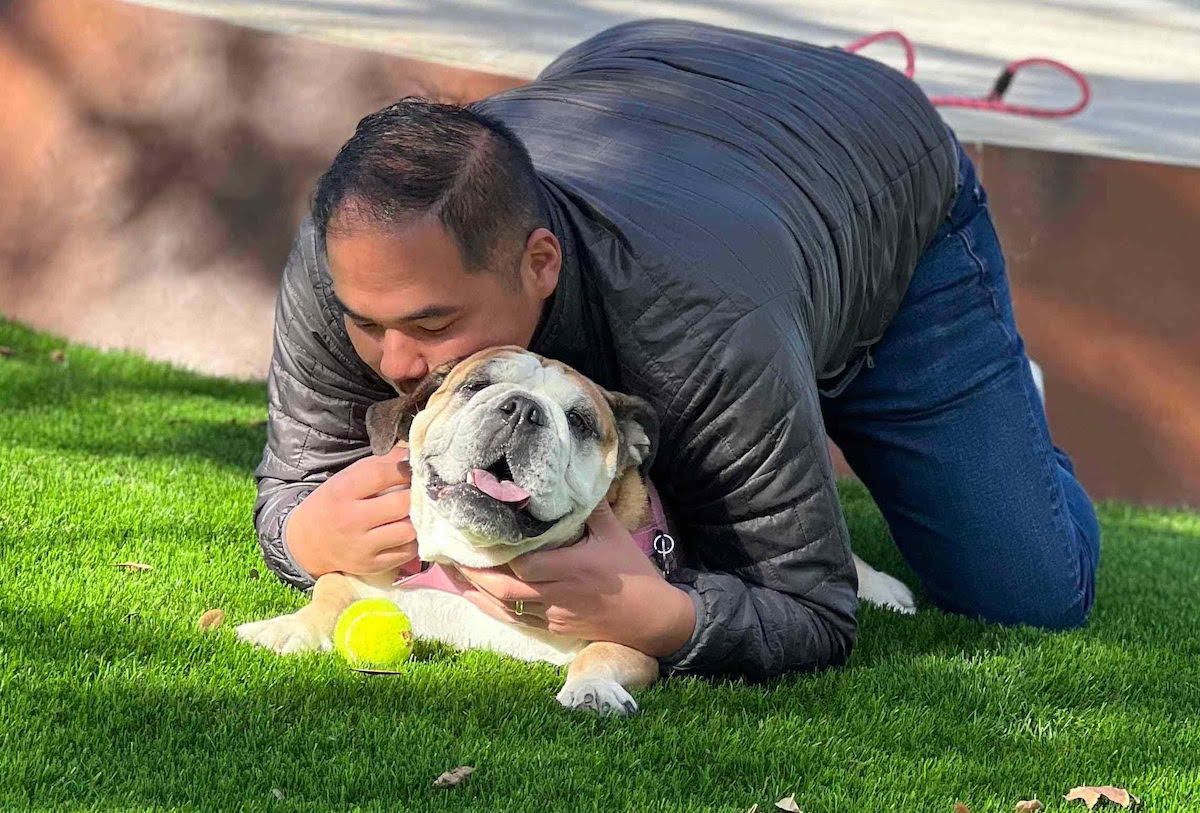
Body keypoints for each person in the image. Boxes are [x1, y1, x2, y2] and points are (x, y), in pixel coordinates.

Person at [253, 19, 1100, 681]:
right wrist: (304, 532)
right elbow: (298, 480)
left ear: (539, 261)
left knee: (1026, 590)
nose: (395, 361)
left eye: (434, 328)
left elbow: (812, 608)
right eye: (369, 324)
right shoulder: (361, 267)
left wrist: (652, 613)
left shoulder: (704, 327)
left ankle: (998, 414)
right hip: (646, 81)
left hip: (878, 181)